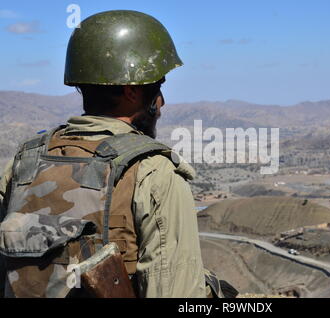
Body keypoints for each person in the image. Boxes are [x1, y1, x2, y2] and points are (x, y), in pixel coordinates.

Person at [0, 10, 210, 298]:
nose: (162, 101)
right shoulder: (153, 172)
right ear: (132, 92)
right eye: (158, 87)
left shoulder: (24, 162)